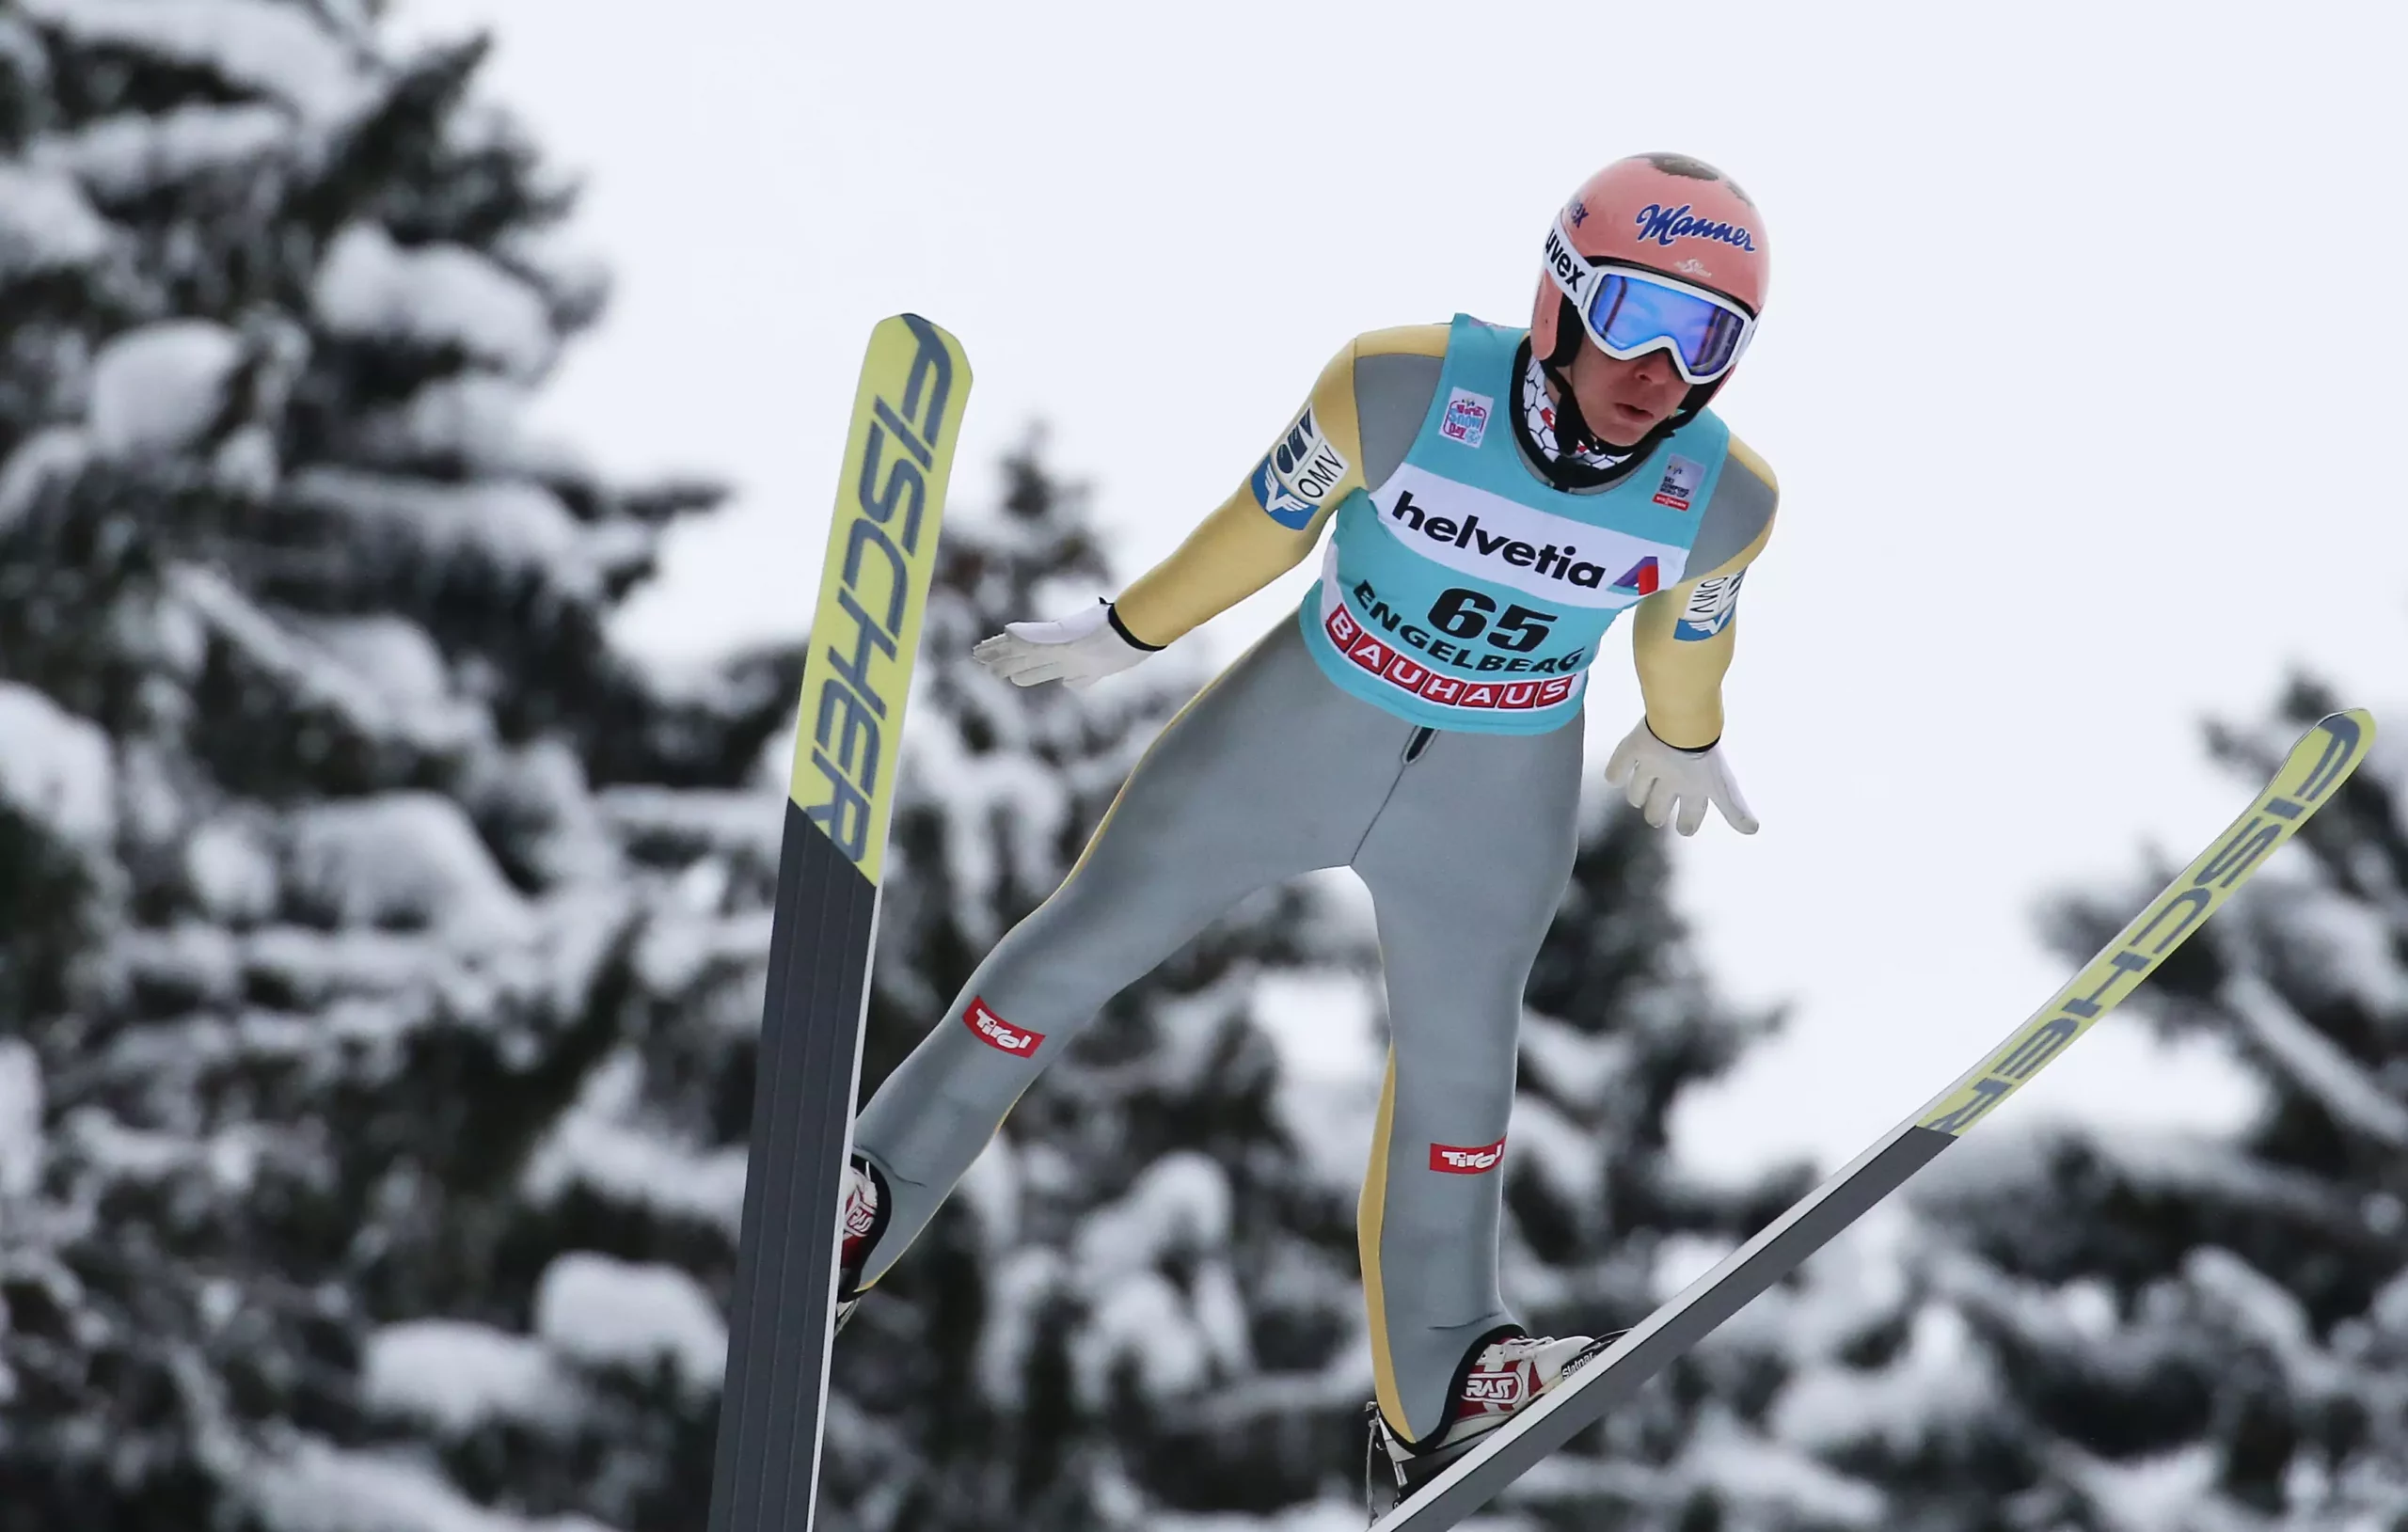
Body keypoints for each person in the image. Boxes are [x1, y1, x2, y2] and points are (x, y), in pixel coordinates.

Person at [834, 151, 1779, 1503]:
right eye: (1637, 318)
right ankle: (865, 1199)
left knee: (1465, 1085)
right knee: (1075, 951)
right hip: (1298, 726)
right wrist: (1125, 630)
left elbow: (1691, 637)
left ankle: (1442, 1384)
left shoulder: (1724, 498)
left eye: (1710, 341)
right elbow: (1264, 526)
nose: (1662, 371)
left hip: (1495, 793)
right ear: (1561, 302)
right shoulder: (1400, 387)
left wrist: (1684, 733)